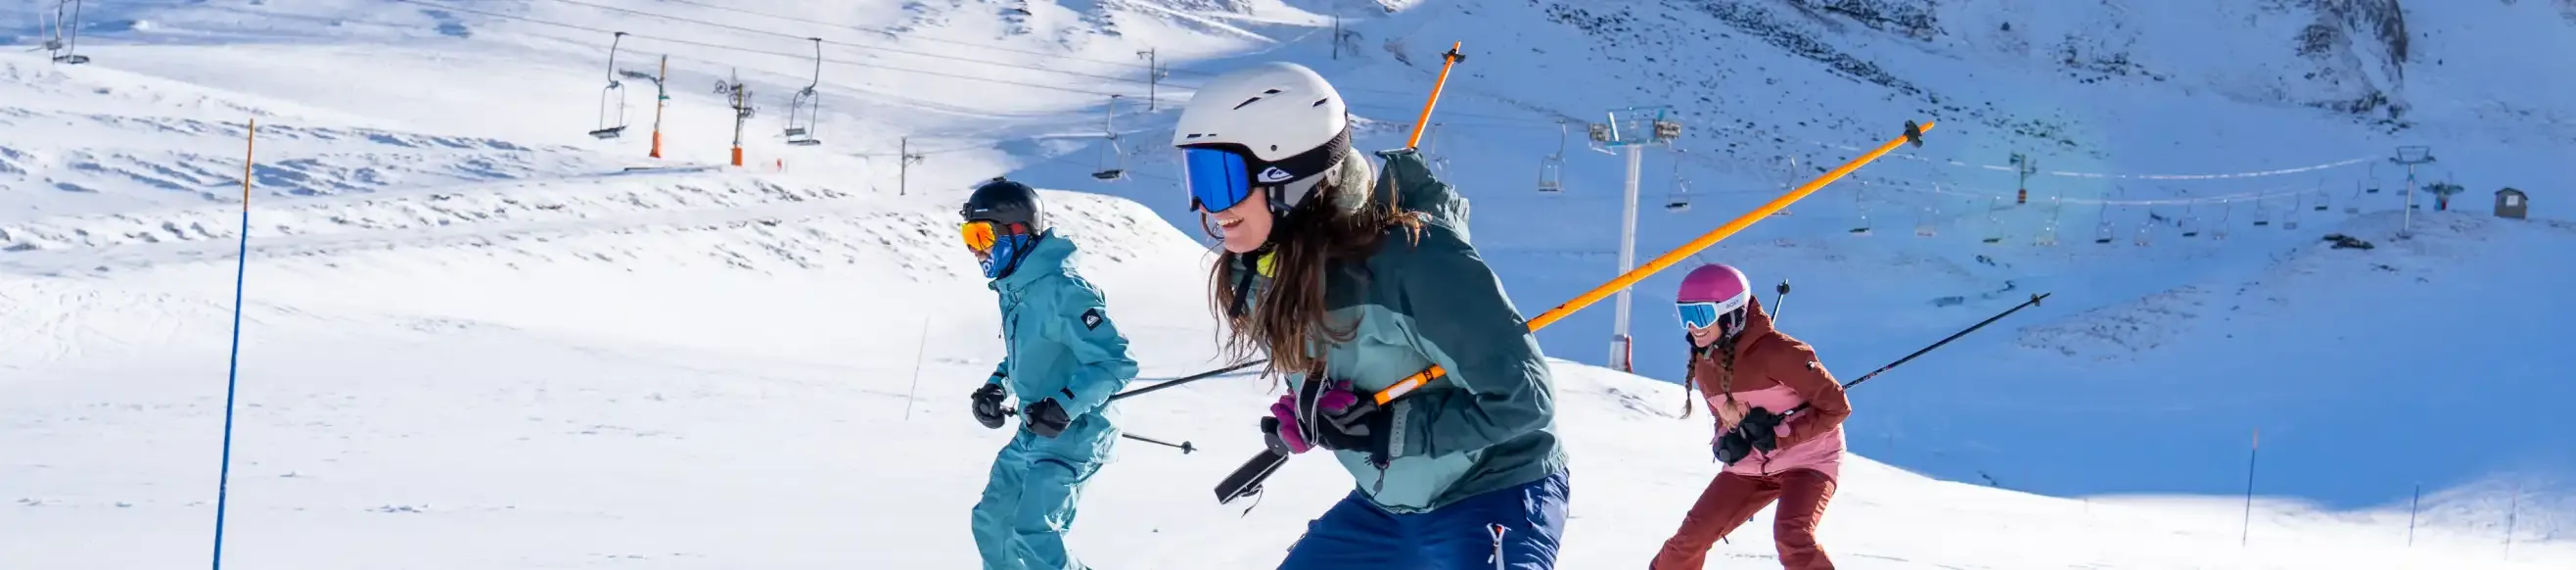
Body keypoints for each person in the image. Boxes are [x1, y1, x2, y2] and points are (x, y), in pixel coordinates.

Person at [1169, 61, 1570, 569]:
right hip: (1387, 509)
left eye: (1219, 179)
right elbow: (1343, 370)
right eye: (1194, 178)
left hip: (1493, 489)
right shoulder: (1260, 274)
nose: (1205, 206)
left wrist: (1385, 430)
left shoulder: (1415, 262)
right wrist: (1311, 411)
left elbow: (1524, 402)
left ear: (1287, 174)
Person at [958, 177, 1141, 570]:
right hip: (1032, 432)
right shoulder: (1016, 290)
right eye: (968, 238)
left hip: (1076, 434)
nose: (977, 251)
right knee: (991, 523)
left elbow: (1116, 362)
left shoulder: (1064, 289)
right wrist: (996, 388)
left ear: (1018, 232)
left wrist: (1064, 405)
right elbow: (1024, 356)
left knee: (1034, 532)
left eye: (982, 236)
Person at [1649, 263, 1851, 570]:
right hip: (1750, 466)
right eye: (1684, 315)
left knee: (1792, 536)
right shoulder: (1704, 365)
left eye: (1700, 315)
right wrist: (1727, 438)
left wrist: (1781, 434)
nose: (1692, 326)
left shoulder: (1781, 353)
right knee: (1690, 539)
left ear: (1731, 314)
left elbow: (1836, 407)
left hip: (1810, 460)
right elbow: (1721, 419)